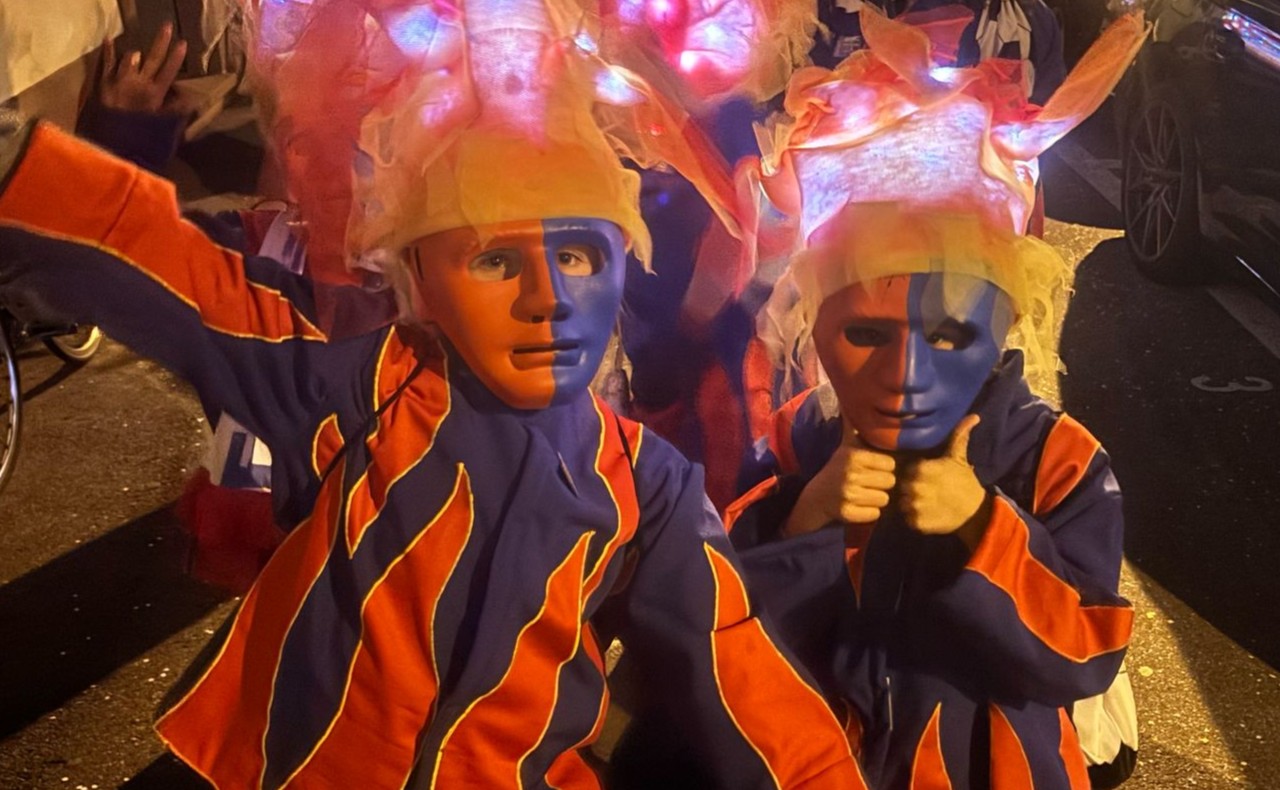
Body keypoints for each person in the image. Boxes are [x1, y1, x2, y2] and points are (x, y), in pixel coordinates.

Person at [0, 0, 869, 786]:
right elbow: (153, 262)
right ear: (421, 283)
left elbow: (737, 667)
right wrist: (68, 155)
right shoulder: (357, 388)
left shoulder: (647, 484)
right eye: (494, 260)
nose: (548, 300)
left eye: (578, 255)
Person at [725, 7, 1145, 788]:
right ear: (815, 328)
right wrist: (803, 519)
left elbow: (1086, 652)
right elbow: (720, 623)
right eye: (865, 335)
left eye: (951, 335)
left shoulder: (1055, 460)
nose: (907, 375)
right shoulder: (797, 438)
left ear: (1006, 324)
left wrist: (983, 527)